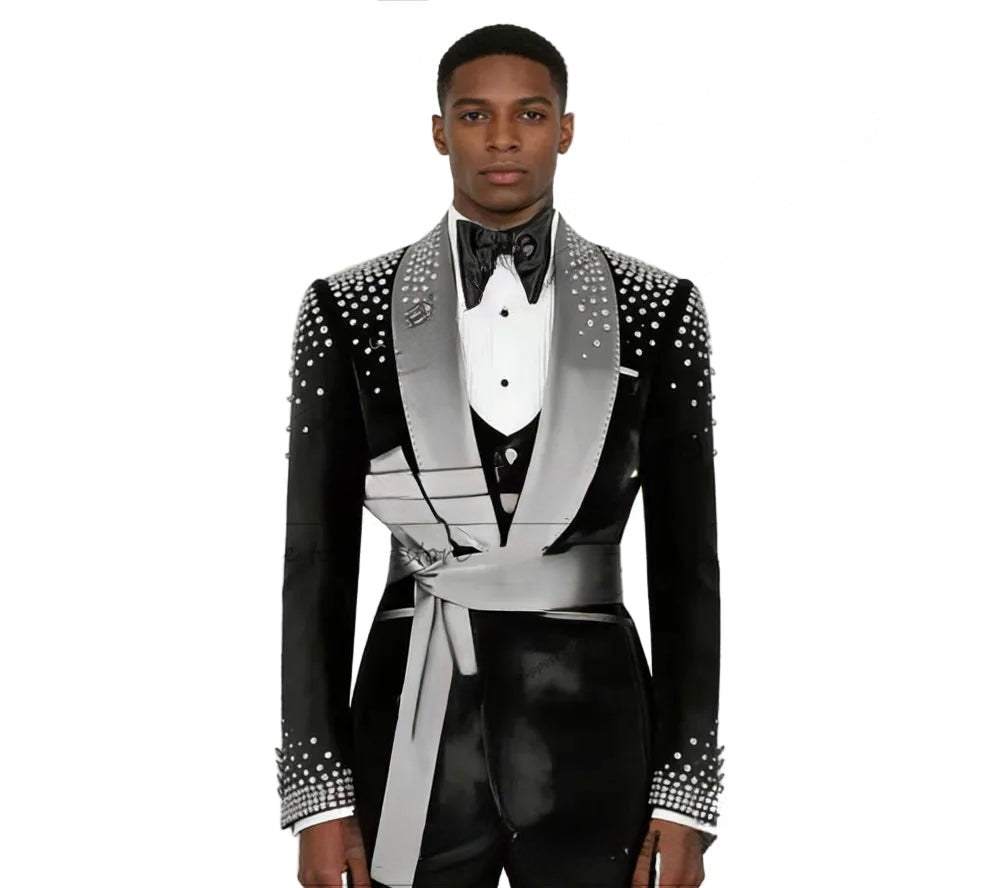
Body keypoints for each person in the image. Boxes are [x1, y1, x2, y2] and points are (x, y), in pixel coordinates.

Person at [276, 22, 724, 888]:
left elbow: (687, 568)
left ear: (566, 129)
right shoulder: (345, 307)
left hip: (599, 746)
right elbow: (314, 561)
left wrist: (686, 793)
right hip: (409, 738)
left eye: (531, 113)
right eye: (476, 114)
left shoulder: (660, 307)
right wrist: (318, 795)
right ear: (439, 130)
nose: (504, 137)